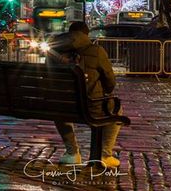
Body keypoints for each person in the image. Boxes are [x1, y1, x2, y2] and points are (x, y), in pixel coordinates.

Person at [49, 20, 122, 168]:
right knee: (117, 110)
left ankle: (72, 153)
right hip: (91, 106)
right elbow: (110, 83)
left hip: (62, 105)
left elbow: (49, 79)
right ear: (86, 35)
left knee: (59, 107)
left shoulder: (53, 52)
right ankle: (104, 154)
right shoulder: (96, 51)